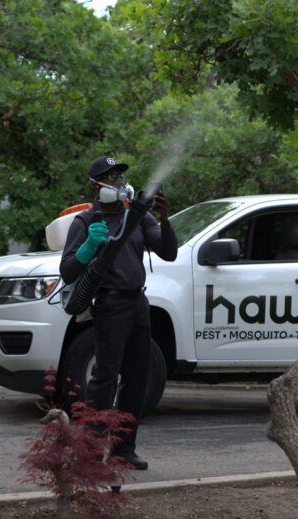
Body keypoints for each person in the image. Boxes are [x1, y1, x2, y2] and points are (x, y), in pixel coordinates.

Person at [59, 156, 177, 470]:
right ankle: (92, 452)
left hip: (138, 303)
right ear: (96, 186)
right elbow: (68, 271)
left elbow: (168, 252)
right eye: (110, 177)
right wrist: (87, 248)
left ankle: (124, 448)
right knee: (105, 378)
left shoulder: (137, 216)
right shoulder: (85, 222)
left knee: (138, 377)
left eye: (119, 176)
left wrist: (165, 219)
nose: (118, 182)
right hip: (108, 305)